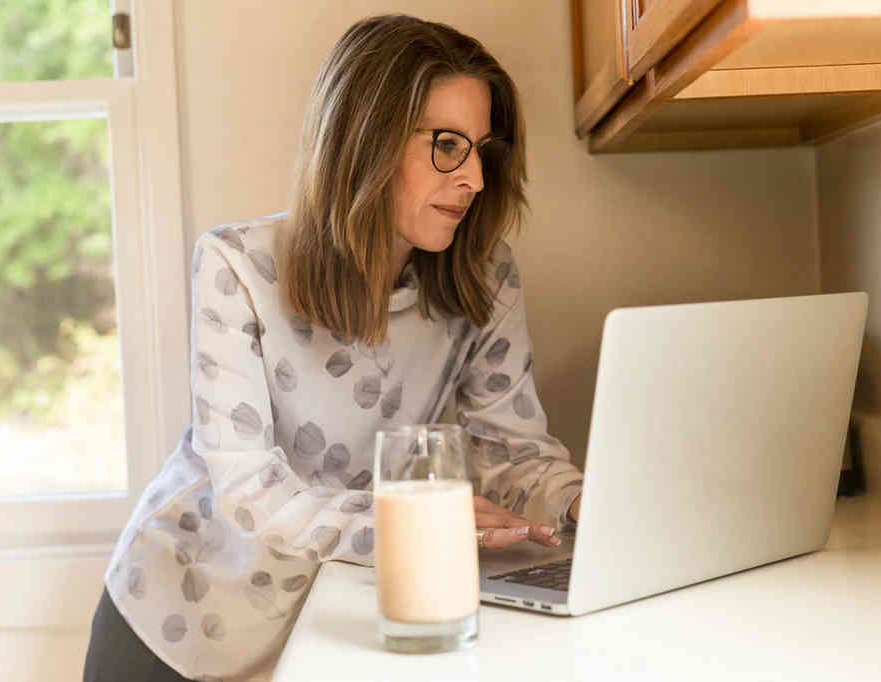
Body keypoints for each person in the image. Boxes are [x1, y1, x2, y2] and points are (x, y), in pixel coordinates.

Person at [83, 13, 584, 682]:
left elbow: (511, 453)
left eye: (480, 150)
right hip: (178, 622)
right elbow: (251, 492)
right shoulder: (236, 266)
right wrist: (418, 525)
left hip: (328, 623)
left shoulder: (484, 279)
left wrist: (589, 502)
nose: (474, 179)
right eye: (445, 145)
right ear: (363, 140)